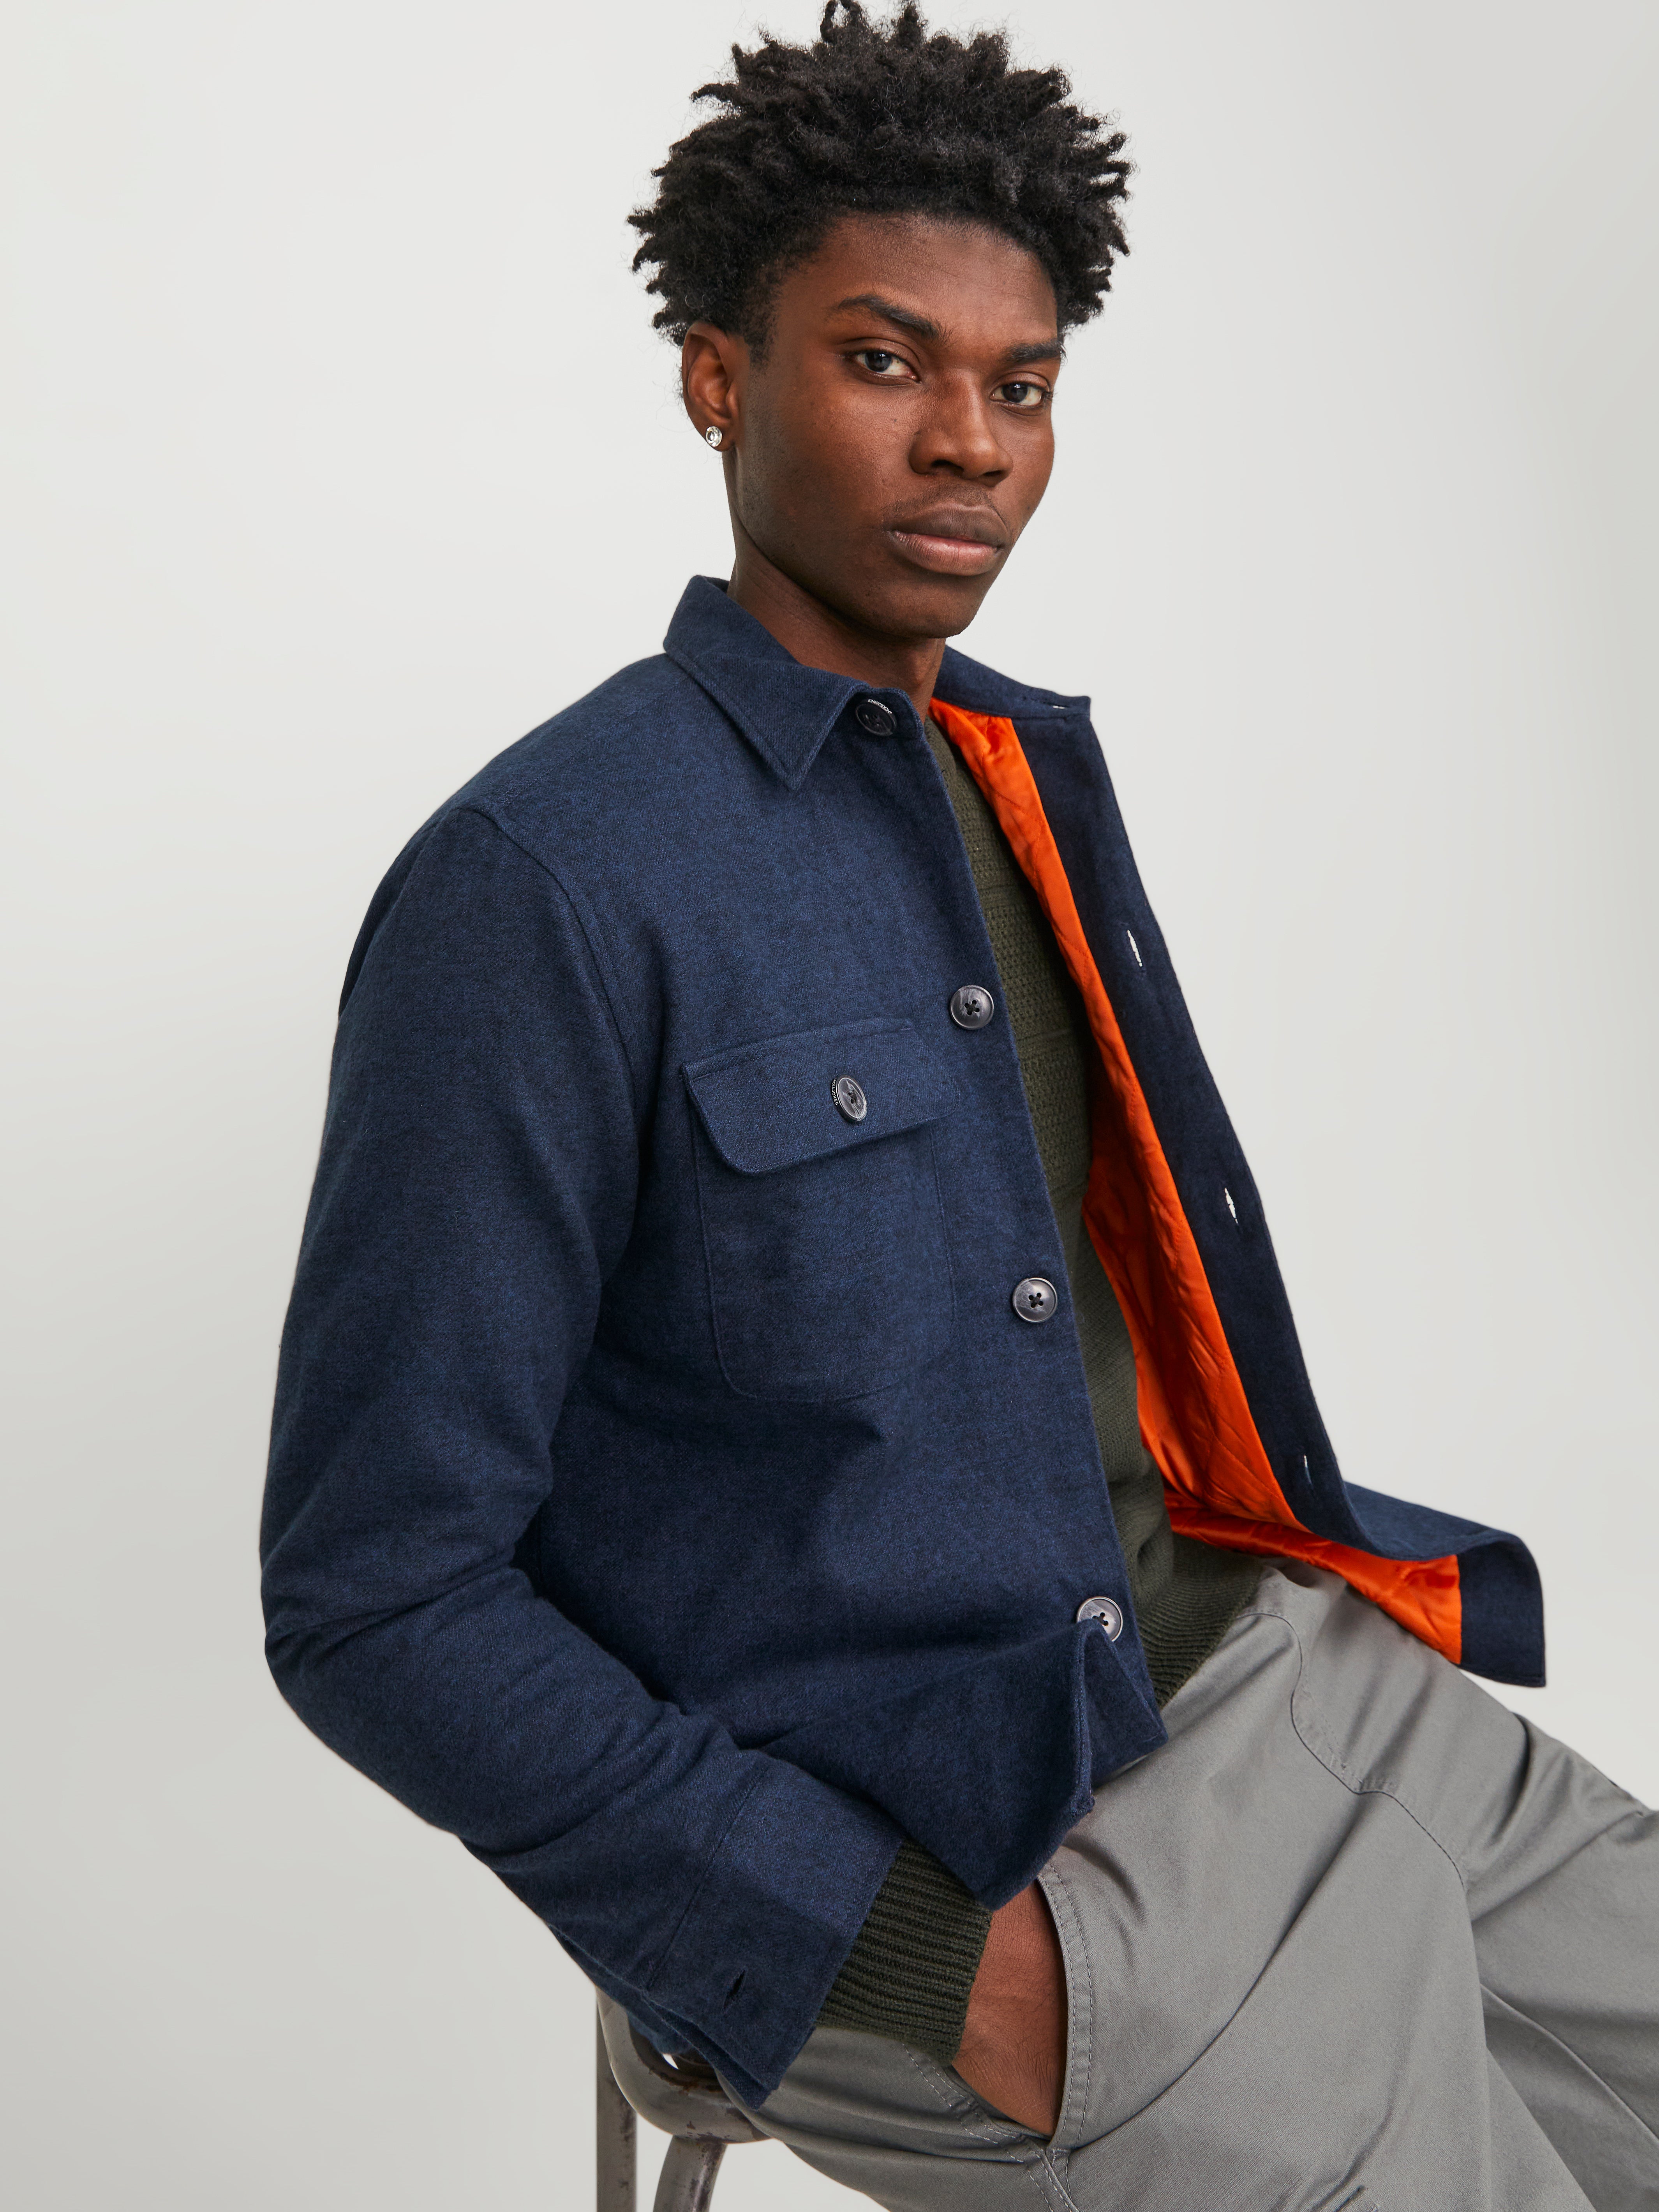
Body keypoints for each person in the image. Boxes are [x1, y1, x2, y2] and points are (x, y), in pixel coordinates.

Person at [260, 5, 1658, 2204]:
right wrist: (923, 1964)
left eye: (1023, 386)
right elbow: (376, 1596)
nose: (970, 446)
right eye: (884, 361)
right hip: (1005, 1883)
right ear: (718, 380)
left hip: (1295, 1679)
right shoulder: (541, 885)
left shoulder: (1017, 774)